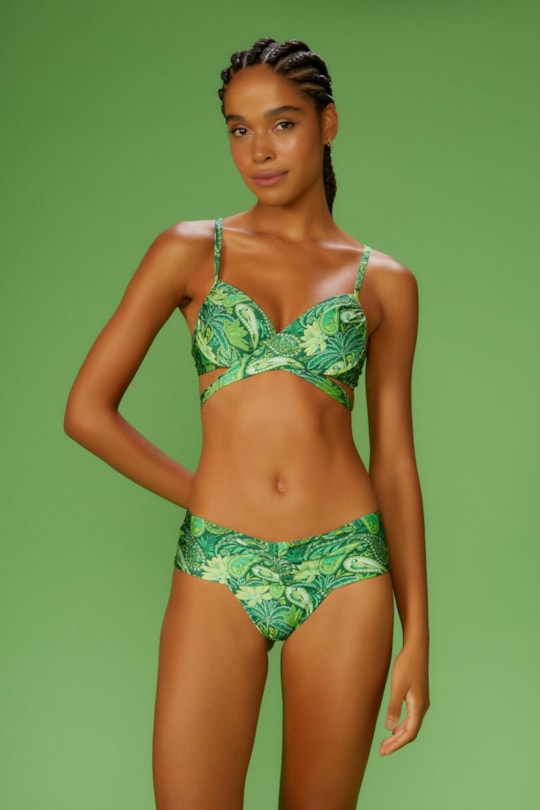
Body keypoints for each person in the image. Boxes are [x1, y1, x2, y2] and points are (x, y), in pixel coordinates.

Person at [64, 36, 429, 810]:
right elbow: (86, 412)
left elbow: (394, 462)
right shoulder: (190, 250)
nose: (258, 150)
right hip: (217, 564)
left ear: (328, 124)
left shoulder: (387, 283)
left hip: (347, 571)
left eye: (282, 123)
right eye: (239, 128)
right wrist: (206, 495)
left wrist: (418, 633)